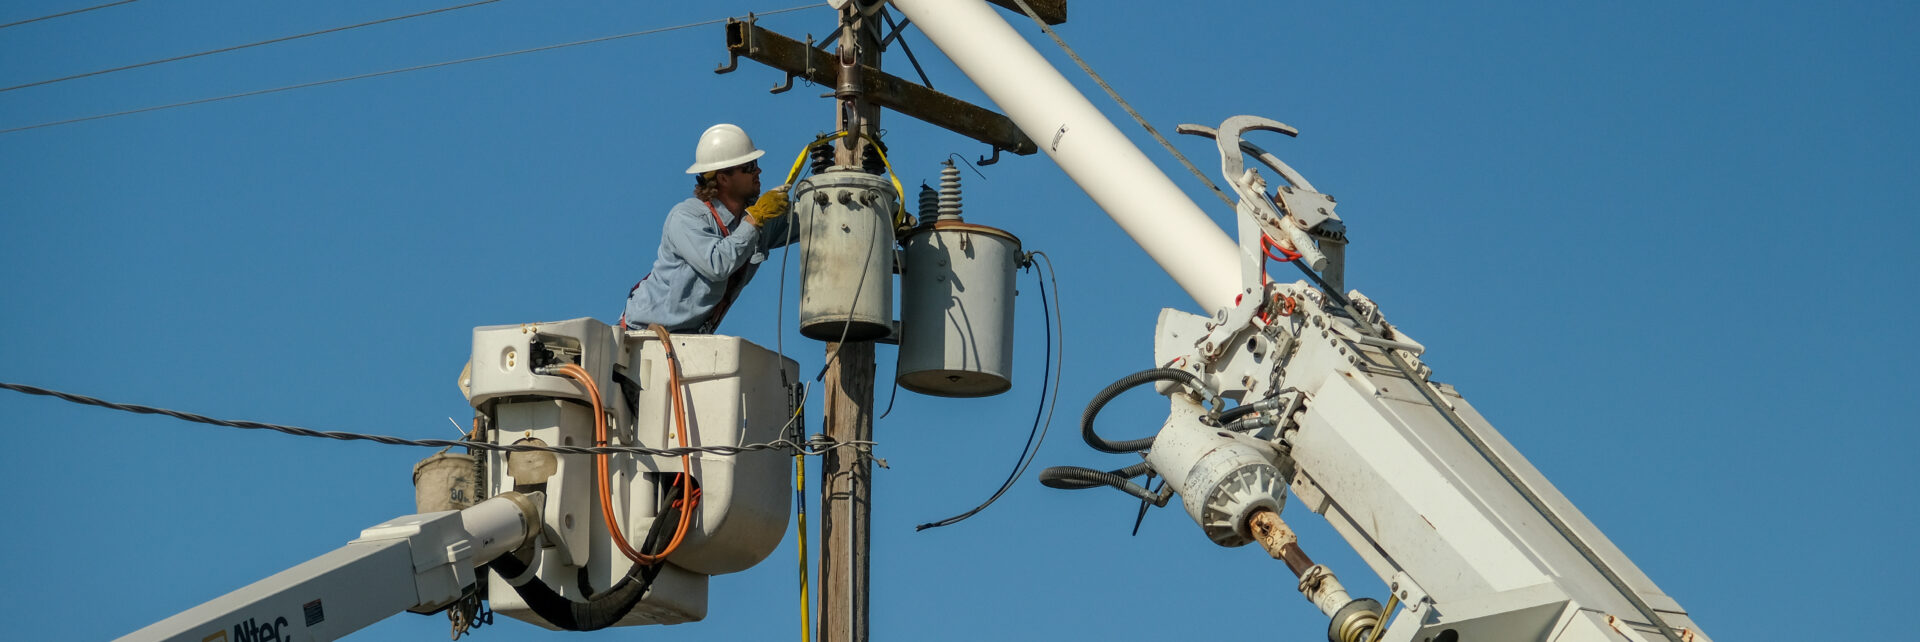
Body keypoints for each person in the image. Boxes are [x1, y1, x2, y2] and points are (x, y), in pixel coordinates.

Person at [622, 123, 796, 334]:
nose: (758, 170)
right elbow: (718, 264)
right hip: (639, 339)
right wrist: (754, 219)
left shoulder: (752, 220)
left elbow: (807, 220)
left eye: (756, 163)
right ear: (723, 178)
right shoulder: (686, 217)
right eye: (749, 167)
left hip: (686, 340)